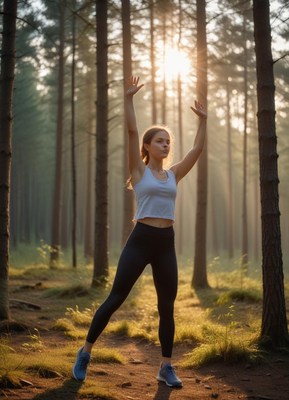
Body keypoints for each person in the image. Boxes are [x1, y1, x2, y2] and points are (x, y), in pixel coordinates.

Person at [72, 76, 207, 388]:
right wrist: (129, 98)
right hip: (140, 240)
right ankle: (85, 352)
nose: (166, 144)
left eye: (168, 141)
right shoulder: (139, 170)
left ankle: (165, 367)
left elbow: (197, 150)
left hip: (165, 243)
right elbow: (132, 131)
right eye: (160, 140)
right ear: (147, 146)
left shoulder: (173, 174)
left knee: (166, 307)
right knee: (116, 297)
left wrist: (203, 120)